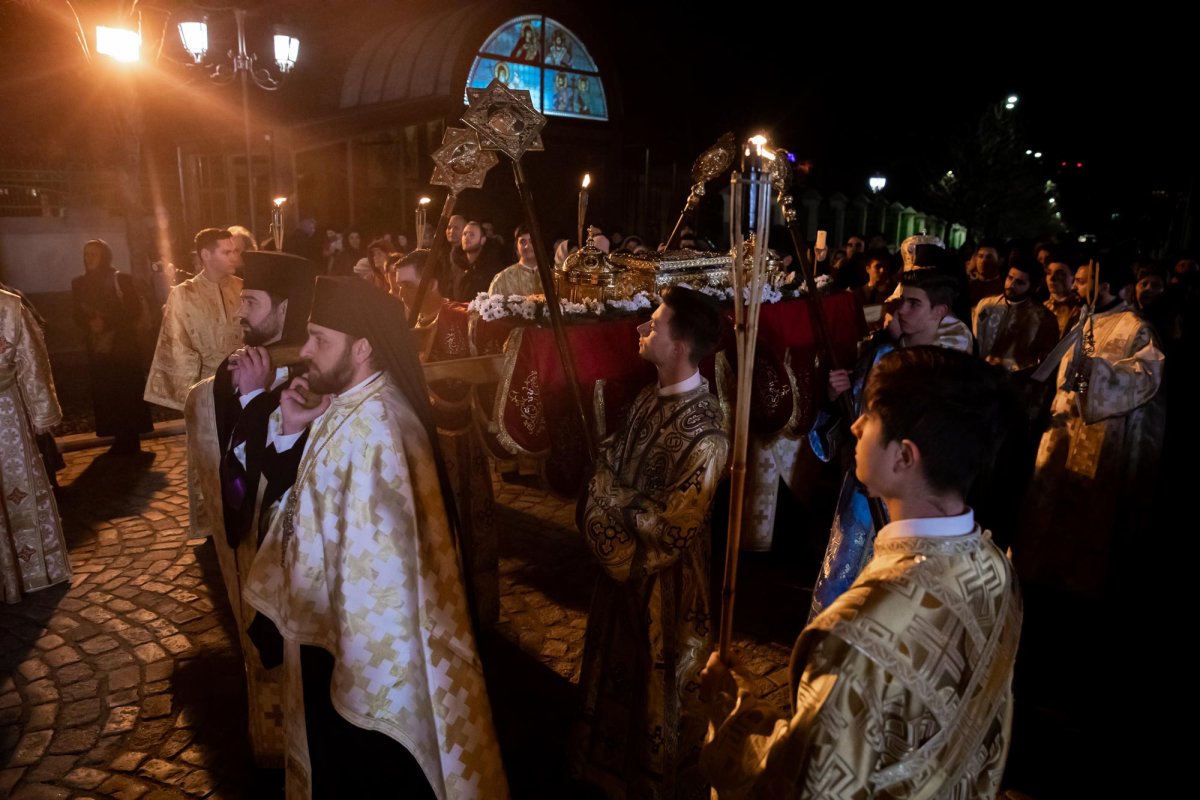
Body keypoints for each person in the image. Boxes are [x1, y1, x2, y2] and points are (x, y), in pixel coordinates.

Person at [700, 347, 1023, 799]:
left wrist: (734, 707)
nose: (853, 426)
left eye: (869, 417)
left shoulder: (856, 633)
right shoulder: (995, 568)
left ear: (904, 457)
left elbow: (804, 786)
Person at [242, 277, 507, 798]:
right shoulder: (346, 404)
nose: (307, 350)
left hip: (366, 655)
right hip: (328, 633)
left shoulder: (383, 429)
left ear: (362, 348)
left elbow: (383, 571)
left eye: (320, 338)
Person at [574, 287, 730, 799]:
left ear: (682, 346)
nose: (641, 329)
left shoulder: (706, 435)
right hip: (620, 579)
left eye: (654, 324)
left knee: (657, 700)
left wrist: (610, 500)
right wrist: (614, 495)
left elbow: (671, 529)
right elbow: (607, 461)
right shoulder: (647, 396)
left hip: (668, 592)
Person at [183, 251, 316, 767]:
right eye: (242, 300)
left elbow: (289, 474)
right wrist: (249, 400)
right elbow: (236, 477)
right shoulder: (237, 368)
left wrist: (257, 401)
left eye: (253, 303)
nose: (241, 313)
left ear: (285, 309)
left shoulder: (315, 373)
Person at [809, 251, 973, 619]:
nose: (902, 310)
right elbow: (850, 420)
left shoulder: (947, 374)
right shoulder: (879, 352)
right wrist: (835, 396)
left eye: (914, 304)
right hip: (862, 491)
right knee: (844, 580)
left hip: (911, 494)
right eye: (901, 301)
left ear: (940, 311)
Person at [1016, 261, 1165, 599]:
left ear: (1106, 286)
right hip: (1063, 428)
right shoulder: (1084, 319)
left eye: (1082, 282)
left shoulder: (1137, 328)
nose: (1075, 288)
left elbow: (1145, 378)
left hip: (1101, 434)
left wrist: (1093, 374)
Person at [1, 287, 69, 604]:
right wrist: (42, 411)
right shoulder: (9, 306)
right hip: (6, 414)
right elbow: (32, 361)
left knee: (16, 488)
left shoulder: (10, 306)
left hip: (6, 413)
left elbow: (31, 360)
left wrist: (43, 412)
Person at [145, 228, 244, 410]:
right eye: (226, 252)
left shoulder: (243, 288)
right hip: (207, 390)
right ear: (206, 255)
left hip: (246, 386)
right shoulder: (183, 295)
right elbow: (176, 348)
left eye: (235, 251)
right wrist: (194, 394)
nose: (234, 257)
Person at [71, 239, 153, 454]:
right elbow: (76, 313)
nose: (89, 259)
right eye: (86, 254)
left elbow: (134, 310)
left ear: (105, 257)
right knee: (106, 392)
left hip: (123, 346)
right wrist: (89, 324)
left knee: (126, 389)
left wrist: (106, 322)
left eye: (94, 254)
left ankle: (131, 436)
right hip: (98, 347)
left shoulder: (121, 279)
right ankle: (116, 435)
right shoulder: (79, 283)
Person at [973, 258, 1060, 372]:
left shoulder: (1043, 318)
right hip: (981, 374)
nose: (1011, 285)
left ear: (1032, 287)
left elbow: (1046, 362)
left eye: (1020, 282)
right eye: (1010, 278)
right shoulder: (986, 305)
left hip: (1016, 382)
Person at [487, 225, 543, 296]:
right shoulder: (502, 279)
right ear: (516, 246)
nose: (527, 246)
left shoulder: (553, 277)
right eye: (523, 242)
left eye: (532, 241)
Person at [1044, 258, 1081, 337]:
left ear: (1074, 278)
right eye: (1048, 273)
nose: (1051, 279)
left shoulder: (1081, 311)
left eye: (1060, 274)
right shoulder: (1042, 308)